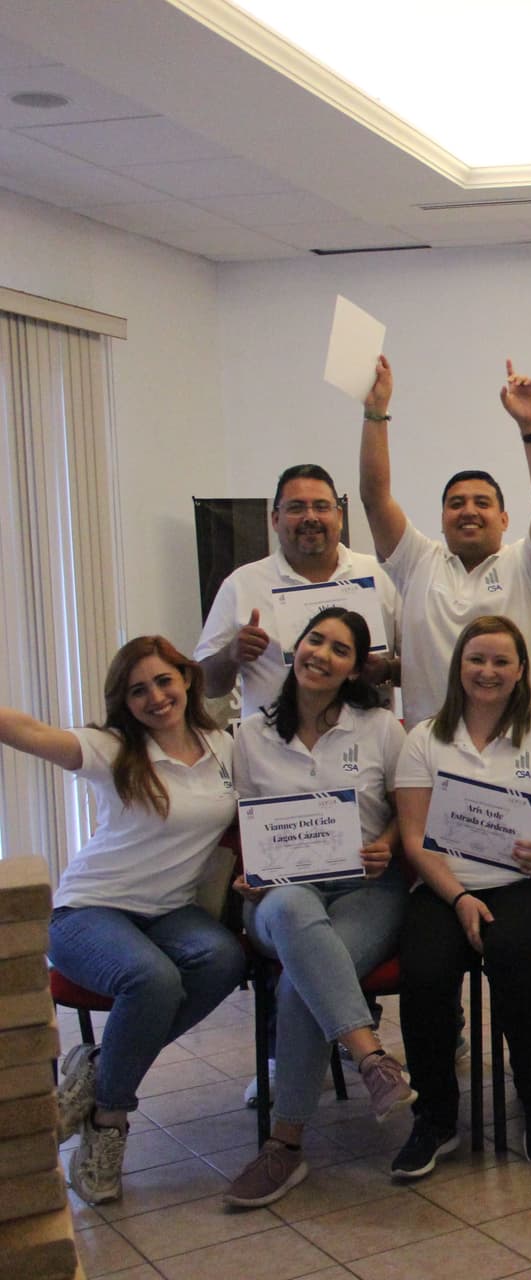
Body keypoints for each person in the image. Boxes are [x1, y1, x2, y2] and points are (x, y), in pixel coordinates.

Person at [5, 637, 246, 1204]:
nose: (156, 697)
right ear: (125, 701)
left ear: (187, 679)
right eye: (139, 690)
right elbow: (31, 733)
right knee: (152, 980)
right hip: (88, 911)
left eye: (164, 681)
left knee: (224, 958)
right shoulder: (111, 748)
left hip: (170, 913)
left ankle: (97, 1068)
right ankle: (110, 1120)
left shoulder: (225, 747)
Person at [223, 607, 414, 1207]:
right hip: (278, 896)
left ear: (356, 667)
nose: (322, 655)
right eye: (315, 640)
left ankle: (285, 1147)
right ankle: (372, 1059)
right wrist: (249, 874)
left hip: (366, 892)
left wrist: (384, 846)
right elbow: (242, 825)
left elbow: (411, 820)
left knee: (299, 982)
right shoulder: (250, 735)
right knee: (287, 913)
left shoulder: (382, 728)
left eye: (339, 649)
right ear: (295, 647)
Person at [390, 616, 531, 1178]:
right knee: (425, 969)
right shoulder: (424, 738)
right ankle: (434, 1118)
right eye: (477, 659)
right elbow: (413, 836)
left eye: (502, 661)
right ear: (459, 665)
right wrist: (457, 897)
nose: (488, 671)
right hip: (443, 885)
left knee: (511, 953)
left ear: (521, 671)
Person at [358, 357, 531, 717]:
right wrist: (376, 412)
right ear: (441, 520)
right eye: (456, 504)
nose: (469, 510)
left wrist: (530, 427)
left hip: (521, 750)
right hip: (433, 754)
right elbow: (375, 500)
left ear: (504, 519)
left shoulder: (527, 565)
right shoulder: (418, 562)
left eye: (482, 503)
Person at [195, 463, 399, 719]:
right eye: (296, 507)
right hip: (273, 750)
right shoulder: (241, 584)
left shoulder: (383, 575)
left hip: (368, 746)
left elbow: (424, 665)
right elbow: (207, 686)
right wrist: (232, 654)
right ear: (275, 519)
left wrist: (387, 670)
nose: (310, 517)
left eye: (322, 507)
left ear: (339, 516)